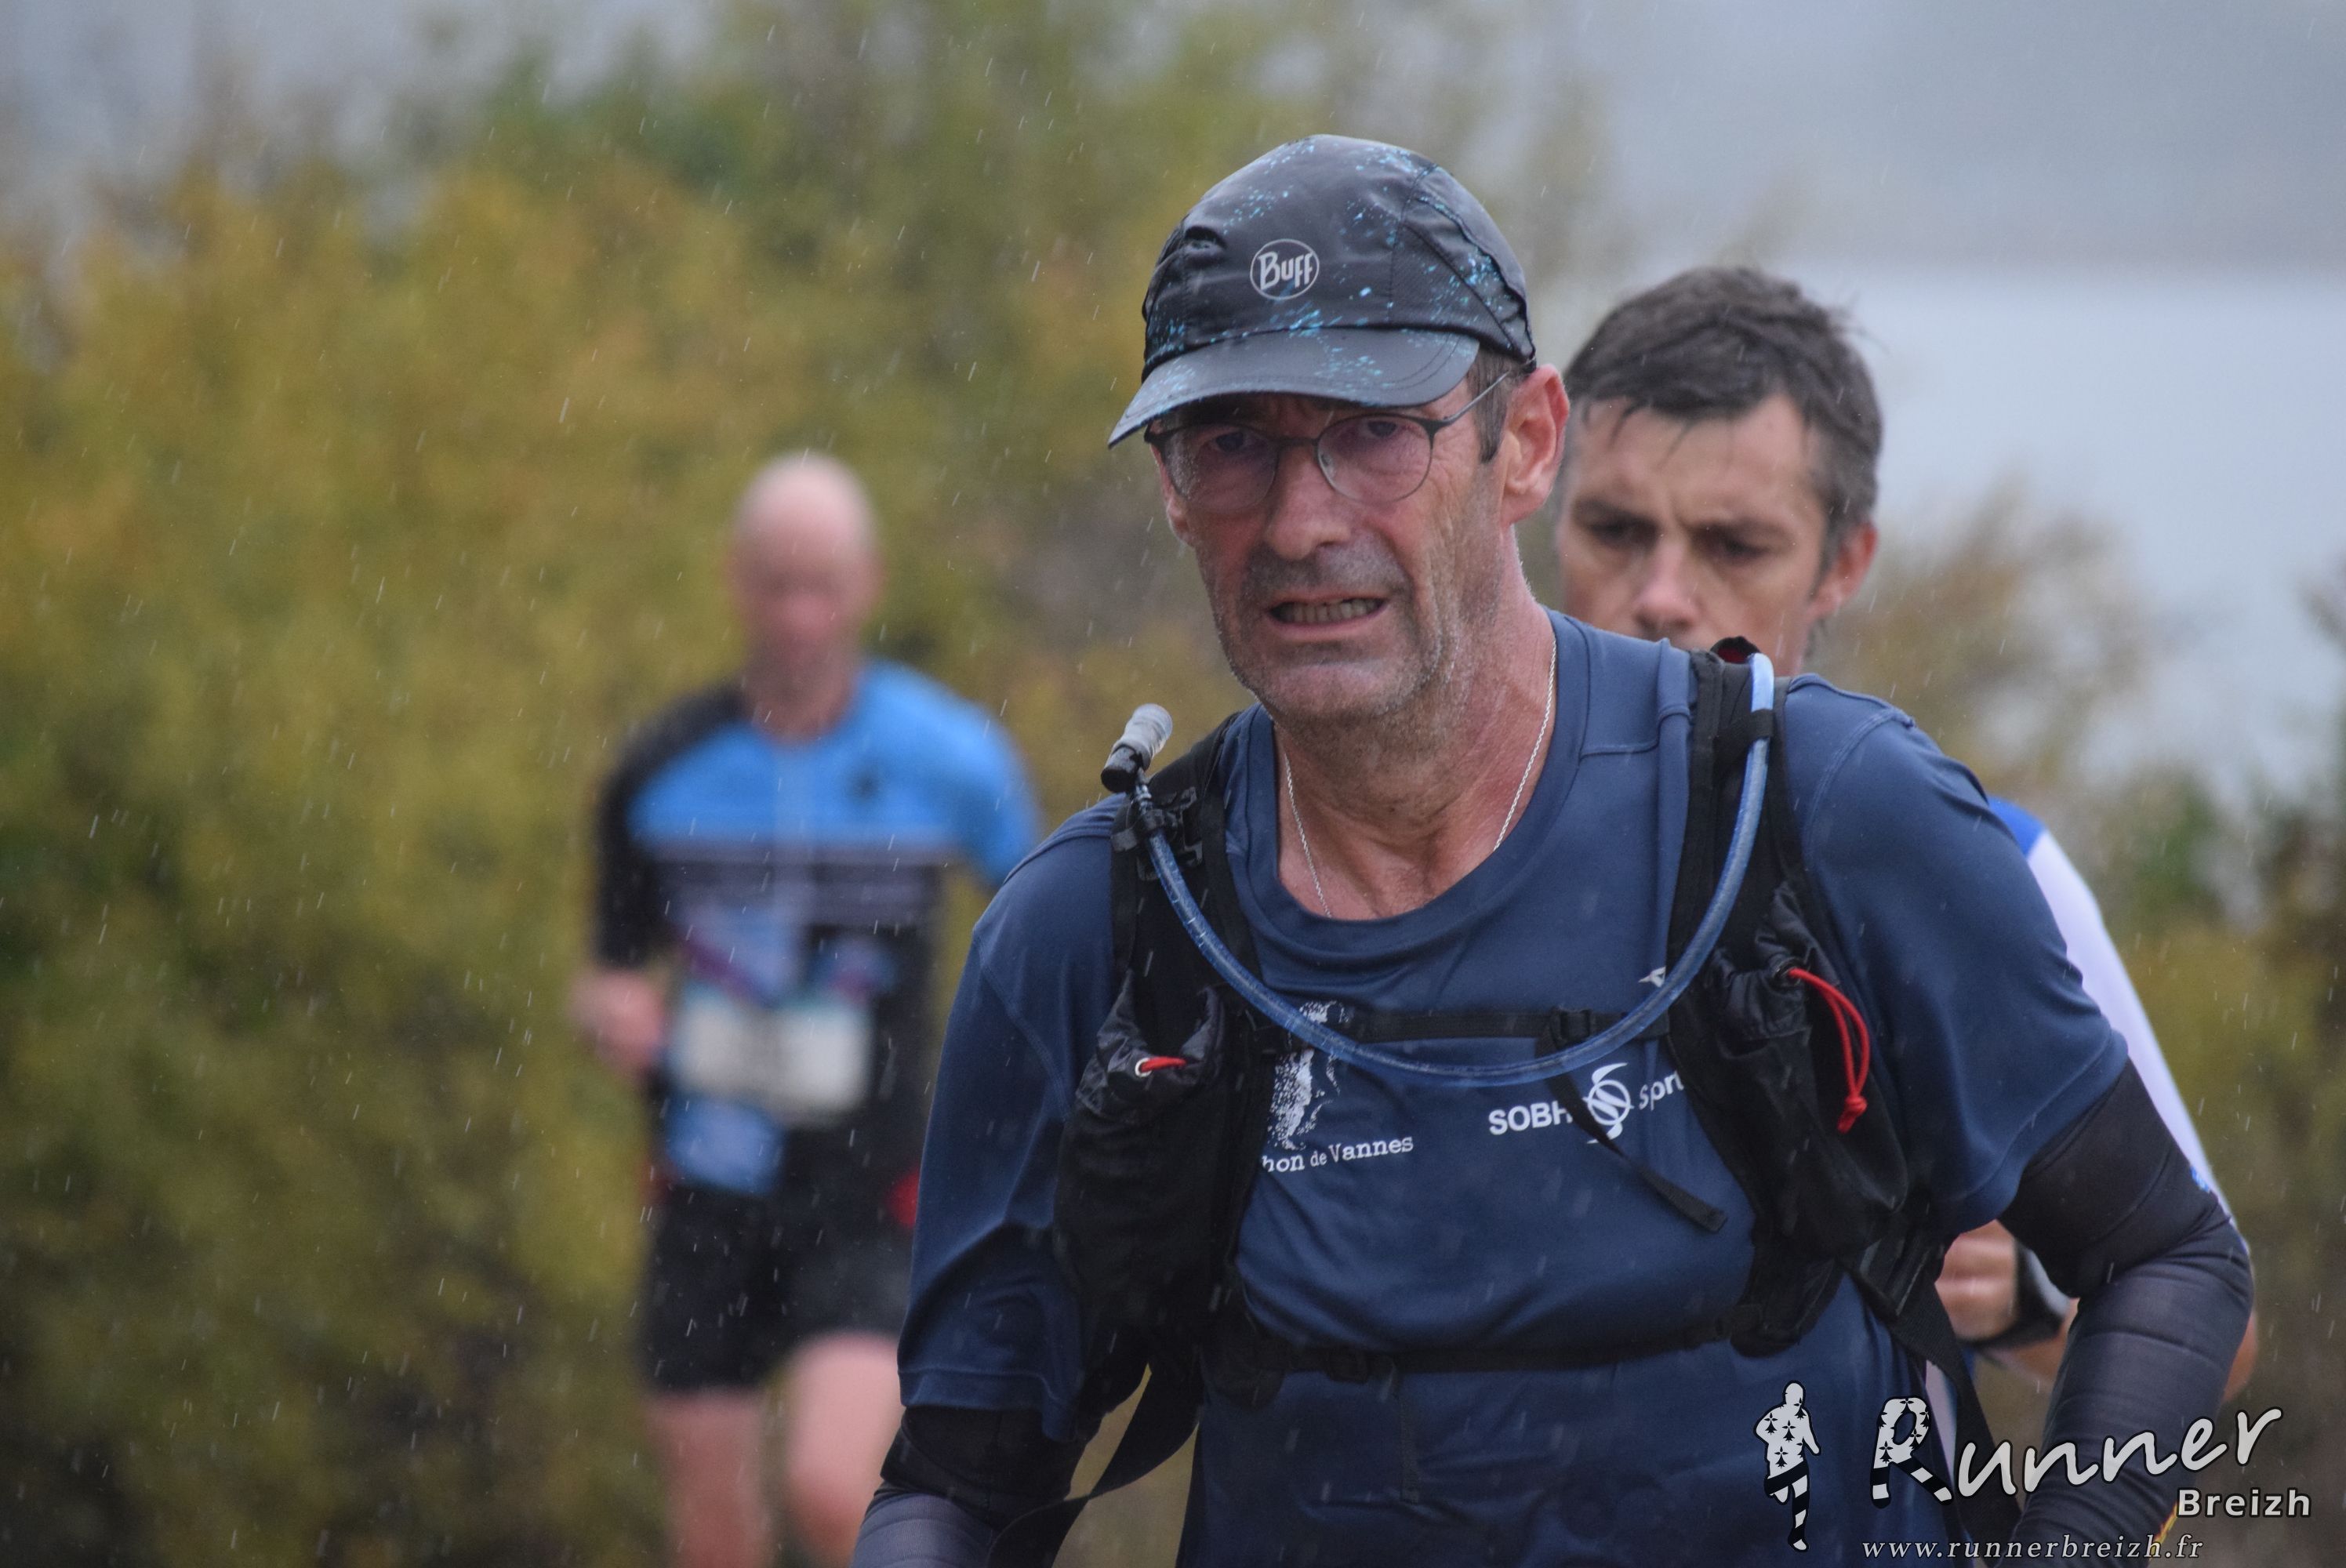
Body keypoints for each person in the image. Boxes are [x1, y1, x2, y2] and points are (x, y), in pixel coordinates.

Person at [853, 137, 2251, 1563]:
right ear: (1169, 484)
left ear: (1524, 442)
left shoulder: (1821, 815)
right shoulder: (1108, 932)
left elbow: (2169, 1261)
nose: (1300, 520)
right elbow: (960, 1485)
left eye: (1374, 432)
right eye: (1232, 445)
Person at [1549, 265, 2258, 1395]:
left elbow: (2213, 1324)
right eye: (1616, 529)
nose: (1662, 594)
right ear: (1544, 499)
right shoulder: (1408, 856)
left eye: (1735, 545)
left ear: (1844, 564)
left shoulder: (1977, 866)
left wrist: (2026, 1304)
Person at [571, 455, 1040, 1568]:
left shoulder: (950, 758)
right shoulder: (660, 768)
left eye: (821, 586)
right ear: (736, 582)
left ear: (866, 584)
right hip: (705, 1180)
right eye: (777, 585)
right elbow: (611, 967)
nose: (799, 616)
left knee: (836, 1494)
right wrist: (613, 1011)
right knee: (713, 1530)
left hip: (874, 1185)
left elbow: (1046, 924)